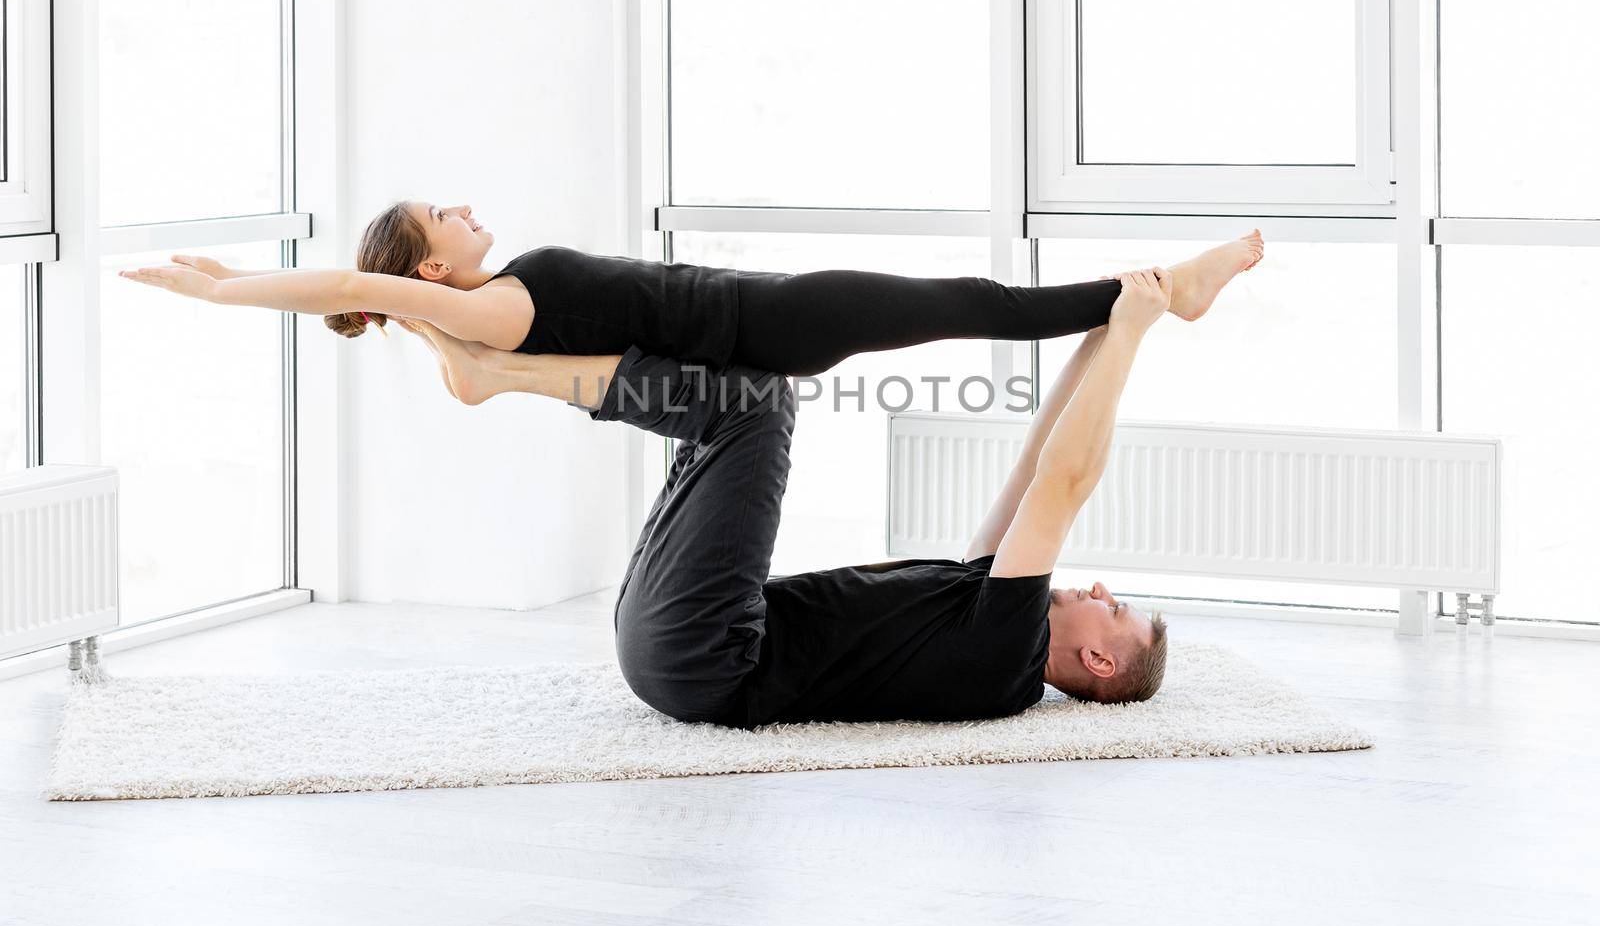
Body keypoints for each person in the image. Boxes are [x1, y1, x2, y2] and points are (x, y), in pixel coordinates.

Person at [401, 264, 1211, 726]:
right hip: (674, 645)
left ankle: (496, 372)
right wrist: (1107, 327)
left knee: (756, 406)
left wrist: (1134, 334)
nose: (1100, 589)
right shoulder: (987, 609)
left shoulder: (1008, 657)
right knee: (741, 393)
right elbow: (1040, 461)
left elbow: (1067, 484)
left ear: (1099, 661)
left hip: (707, 656)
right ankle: (506, 359)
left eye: (1114, 609)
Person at [116, 199, 1263, 377]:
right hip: (776, 319)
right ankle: (1160, 288)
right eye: (443, 216)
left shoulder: (492, 298)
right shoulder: (491, 305)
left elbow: (350, 291)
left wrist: (230, 275)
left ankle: (1149, 287)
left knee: (972, 300)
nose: (466, 208)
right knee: (974, 296)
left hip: (769, 306)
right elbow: (349, 281)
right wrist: (224, 296)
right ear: (423, 268)